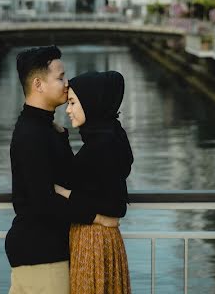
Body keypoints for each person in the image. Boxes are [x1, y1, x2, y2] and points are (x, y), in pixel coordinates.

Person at [6, 46, 119, 294]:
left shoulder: (43, 128)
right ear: (38, 84)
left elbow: (67, 179)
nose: (67, 84)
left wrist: (61, 136)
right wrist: (97, 216)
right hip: (40, 251)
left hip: (43, 249)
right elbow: (42, 202)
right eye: (60, 77)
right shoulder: (32, 135)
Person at [55, 70, 133, 293]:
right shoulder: (111, 136)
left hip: (93, 241)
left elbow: (113, 205)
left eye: (72, 103)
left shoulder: (101, 145)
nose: (68, 110)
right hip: (103, 239)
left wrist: (63, 192)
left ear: (91, 103)